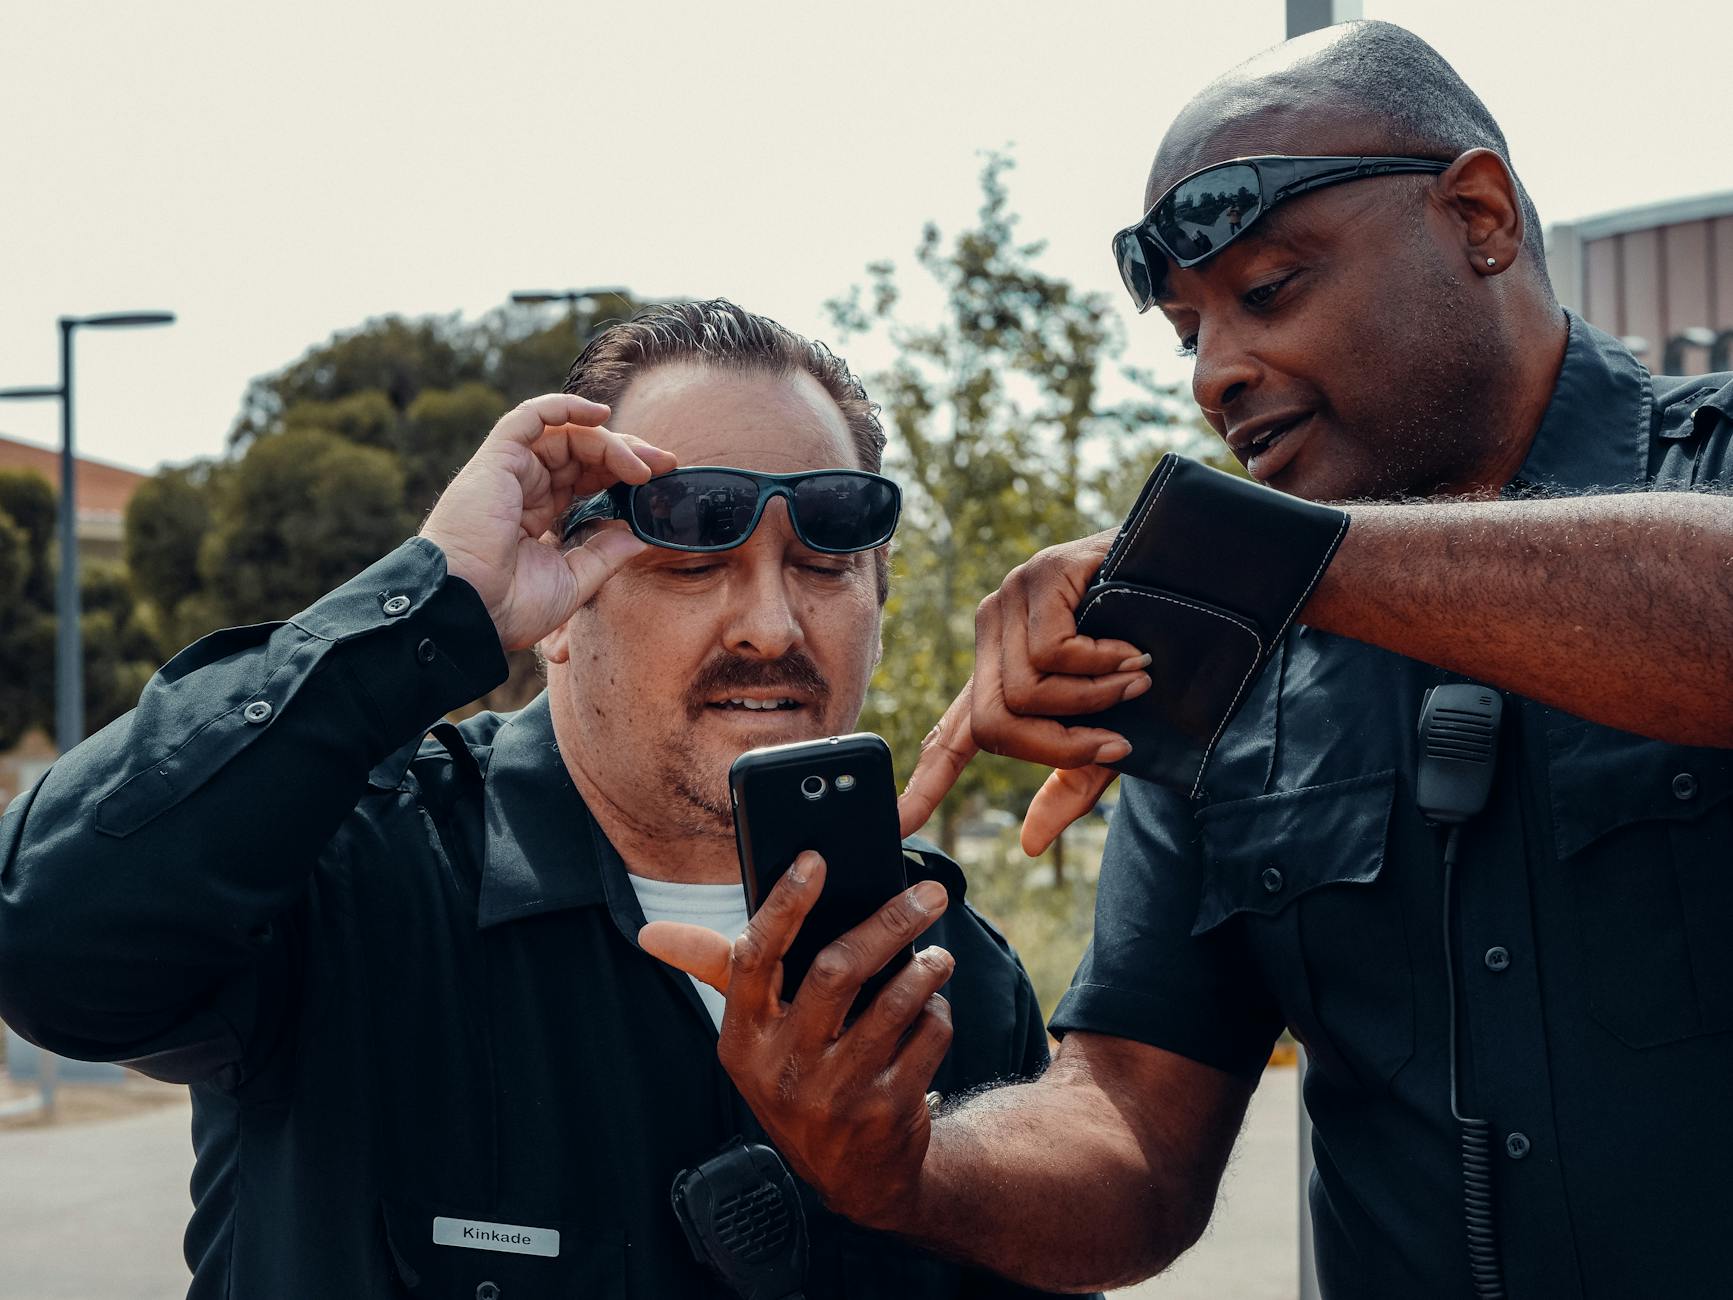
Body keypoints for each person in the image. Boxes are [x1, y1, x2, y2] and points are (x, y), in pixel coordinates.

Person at [641, 23, 1733, 1300]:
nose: (1216, 371)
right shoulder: (1220, 660)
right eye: (1184, 333)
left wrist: (1250, 558)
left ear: (1476, 215)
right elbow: (1132, 1132)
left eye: (1268, 291)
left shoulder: (1695, 472)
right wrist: (906, 1166)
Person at [0, 300, 1077, 1300]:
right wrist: (437, 595)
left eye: (824, 555)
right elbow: (44, 945)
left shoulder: (953, 979)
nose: (769, 625)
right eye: (691, 549)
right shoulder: (350, 877)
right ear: (554, 606)